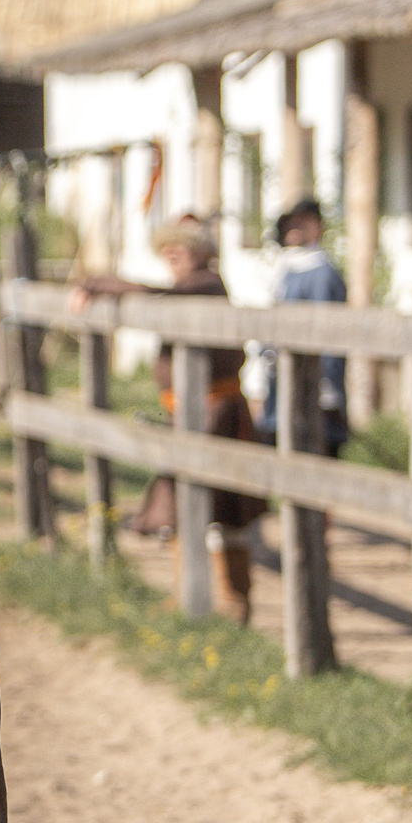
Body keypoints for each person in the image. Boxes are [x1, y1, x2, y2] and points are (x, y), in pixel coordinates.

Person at [69, 215, 265, 623]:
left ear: (201, 253)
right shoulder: (184, 287)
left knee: (225, 506)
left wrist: (95, 283)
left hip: (218, 411)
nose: (173, 255)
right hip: (190, 411)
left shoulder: (207, 283)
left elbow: (154, 291)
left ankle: (235, 601)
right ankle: (188, 596)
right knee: (181, 502)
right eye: (167, 249)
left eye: (183, 248)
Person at [259, 198, 349, 458]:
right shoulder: (286, 268)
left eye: (303, 222)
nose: (295, 228)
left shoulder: (322, 272)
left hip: (313, 383)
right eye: (290, 223)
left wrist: (328, 388)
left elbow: (328, 332)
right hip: (281, 377)